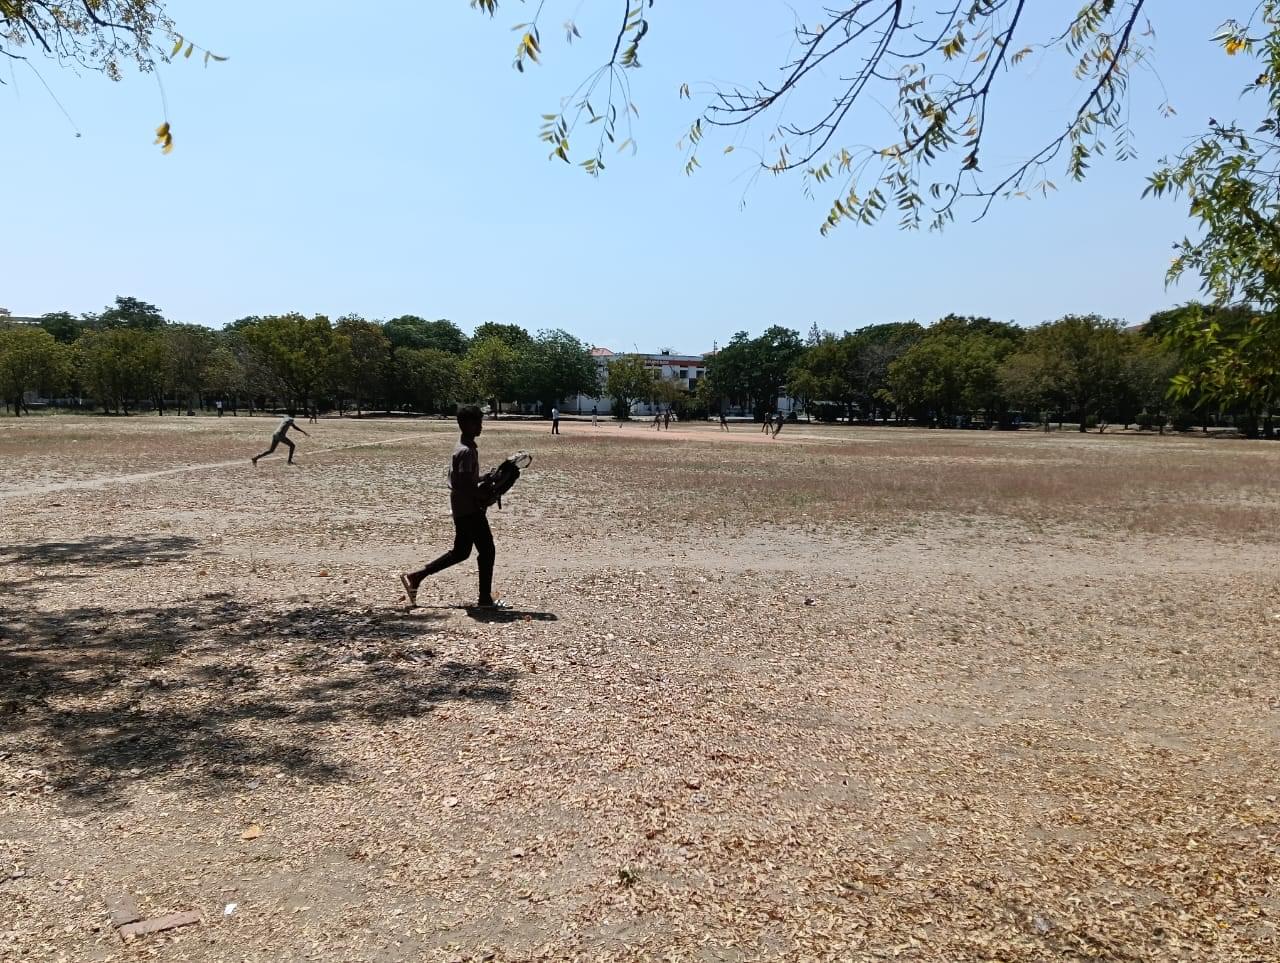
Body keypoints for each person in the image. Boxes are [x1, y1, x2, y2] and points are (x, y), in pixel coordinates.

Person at [400, 405, 501, 609]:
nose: (480, 426)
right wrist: (483, 494)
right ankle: (484, 599)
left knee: (461, 552)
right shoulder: (465, 451)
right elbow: (463, 484)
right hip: (469, 509)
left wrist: (483, 478)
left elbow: (464, 480)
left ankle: (417, 576)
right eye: (477, 423)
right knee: (487, 550)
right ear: (465, 425)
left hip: (463, 508)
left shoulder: (466, 447)